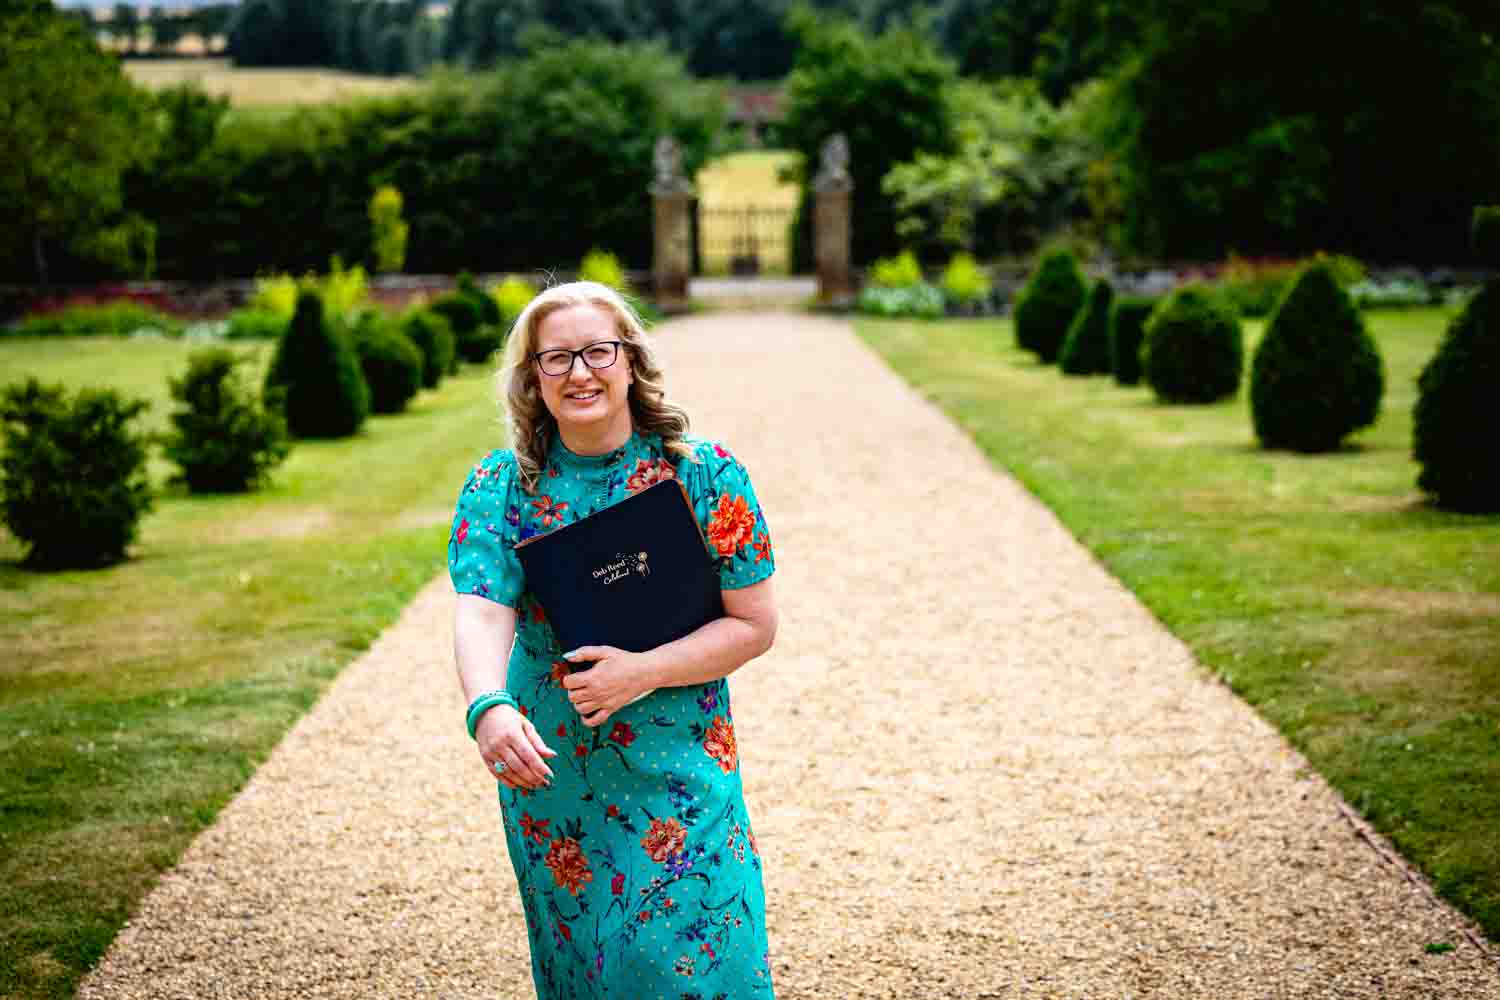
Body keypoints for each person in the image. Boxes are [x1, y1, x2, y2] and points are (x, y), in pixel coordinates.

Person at [448, 281, 779, 999]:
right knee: (588, 965)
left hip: (683, 765)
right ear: (534, 377)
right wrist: (489, 707)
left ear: (631, 361)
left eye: (598, 351)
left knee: (688, 959)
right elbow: (480, 611)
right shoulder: (503, 486)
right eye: (556, 357)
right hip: (556, 776)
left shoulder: (704, 475)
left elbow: (754, 624)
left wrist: (643, 670)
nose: (579, 372)